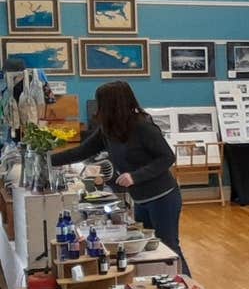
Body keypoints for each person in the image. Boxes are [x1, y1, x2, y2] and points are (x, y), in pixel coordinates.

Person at [52, 81, 191, 275]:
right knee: (148, 250)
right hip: (141, 200)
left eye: (101, 104)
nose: (98, 108)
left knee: (169, 248)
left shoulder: (143, 127)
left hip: (163, 197)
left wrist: (135, 176)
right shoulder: (107, 130)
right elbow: (81, 151)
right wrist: (47, 159)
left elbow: (168, 157)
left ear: (112, 105)